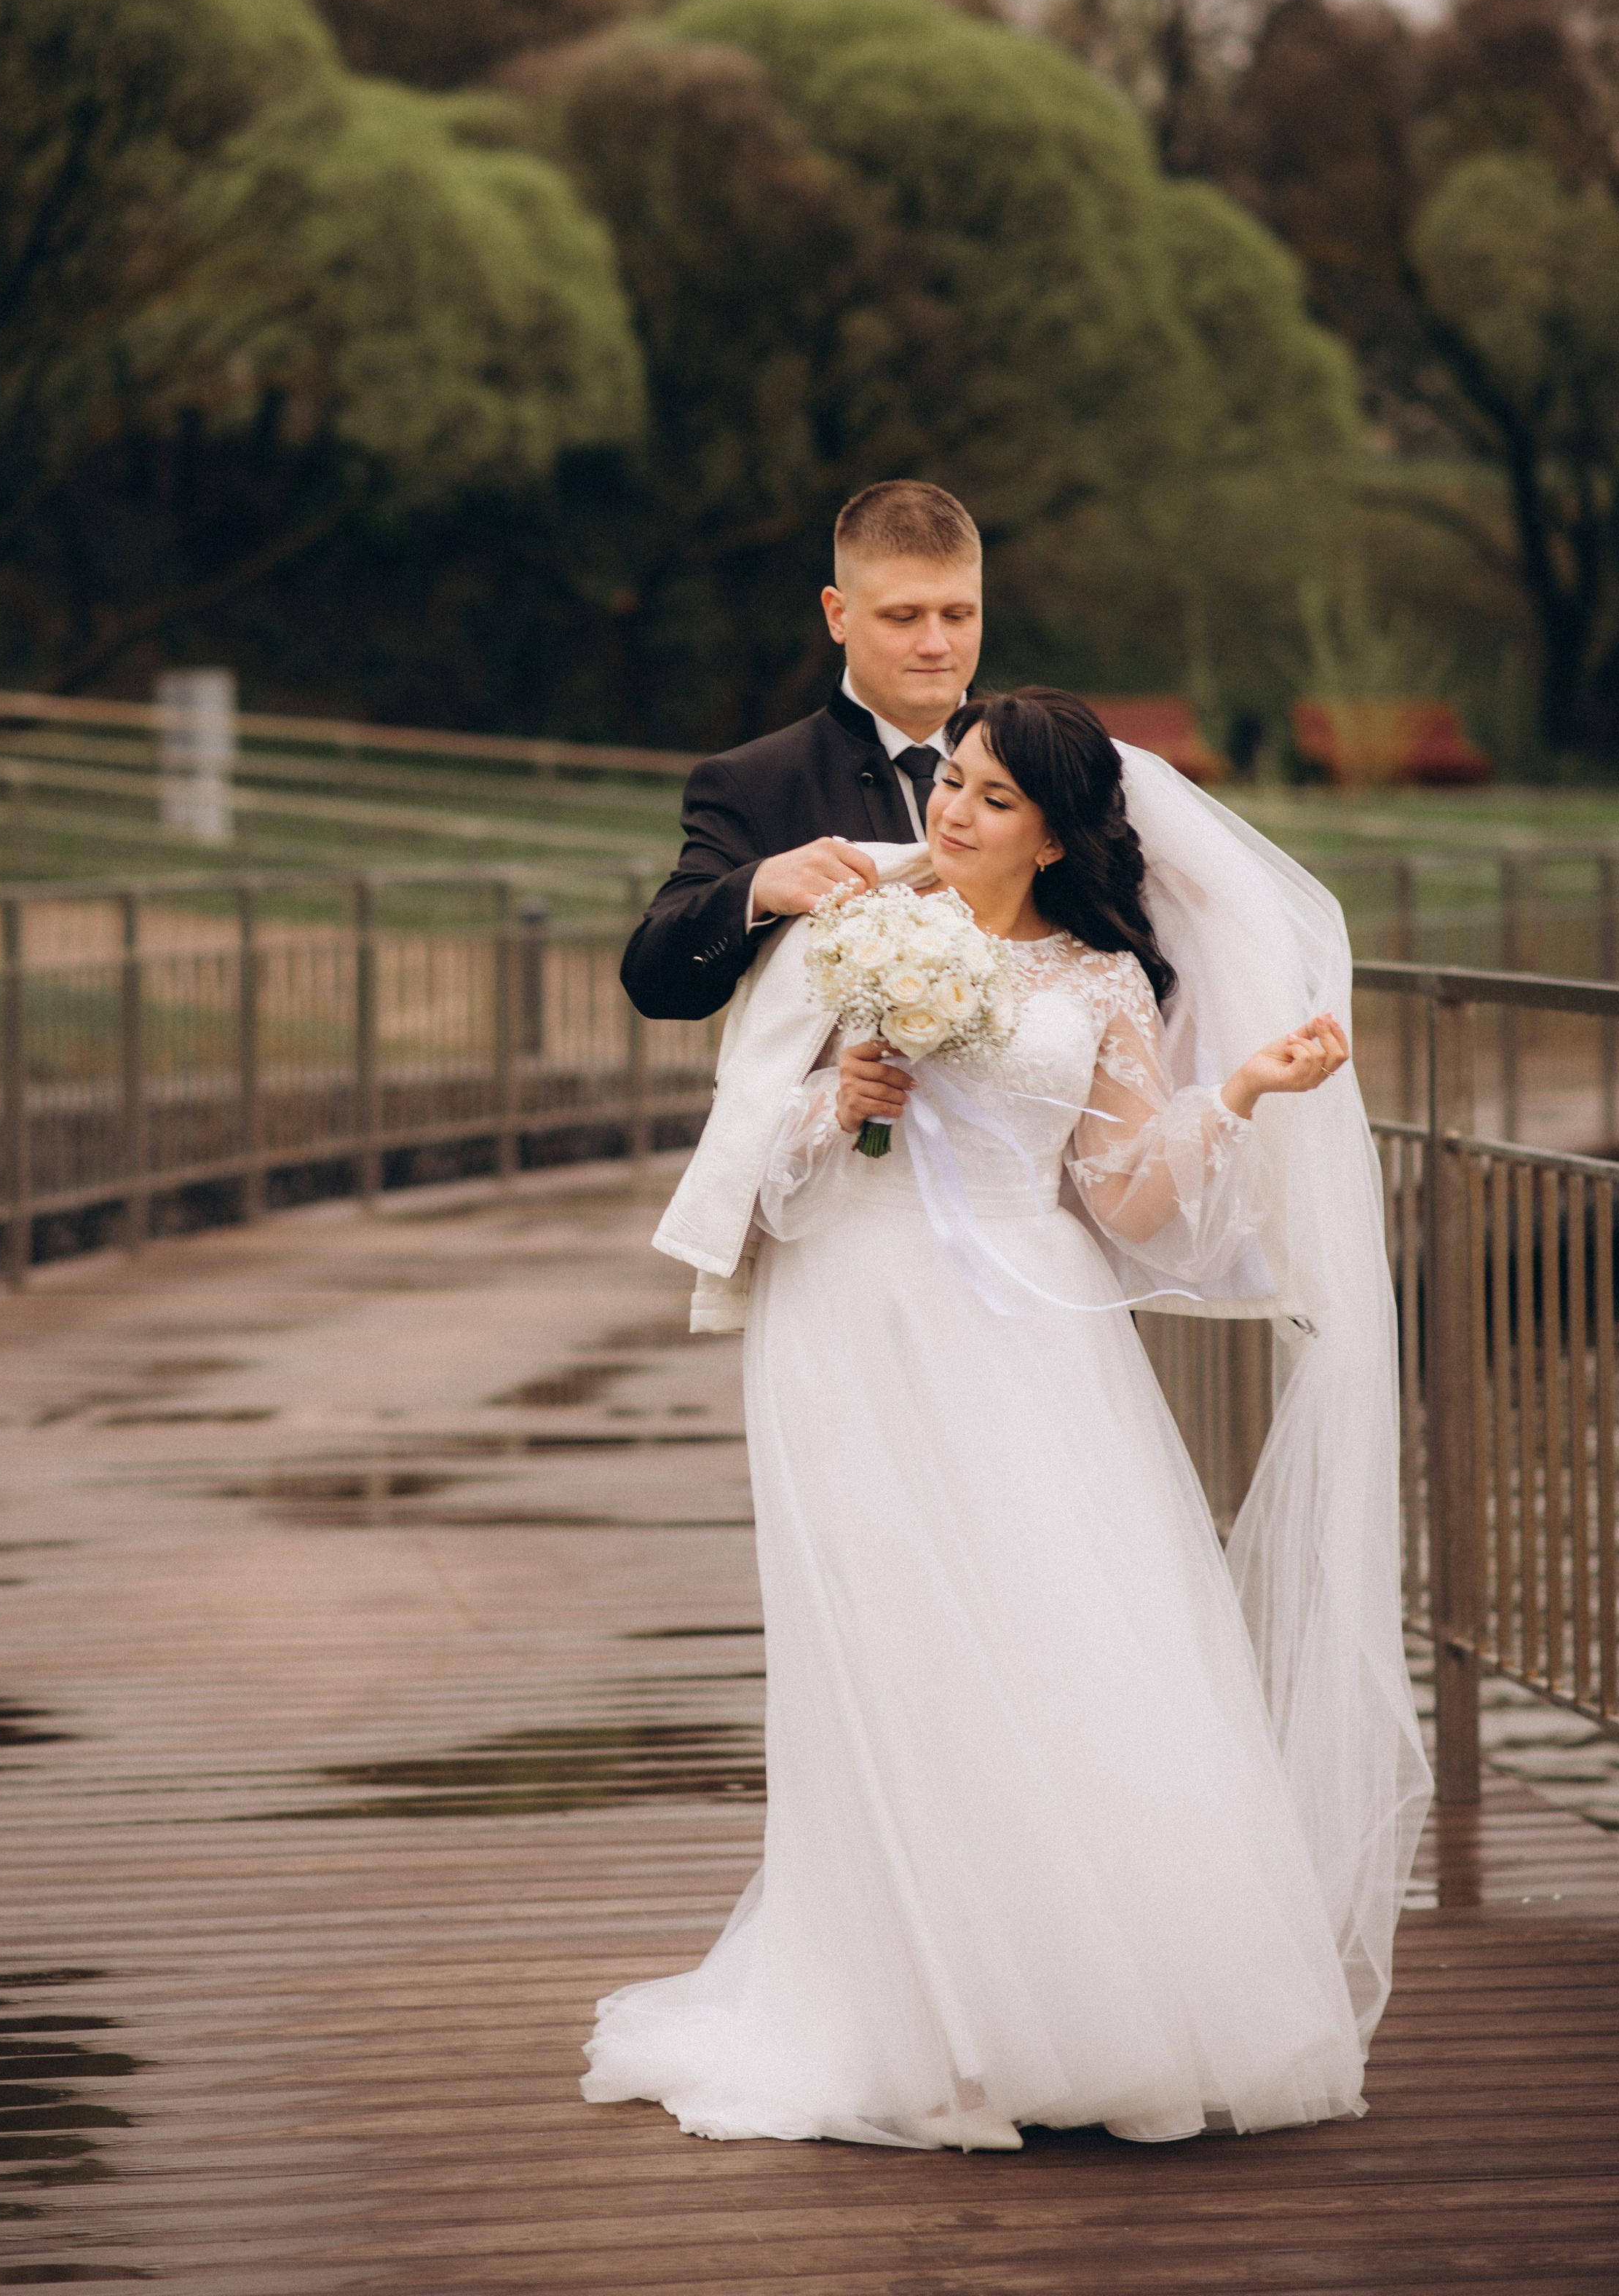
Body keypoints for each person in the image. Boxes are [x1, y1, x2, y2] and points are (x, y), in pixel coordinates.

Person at [583, 688, 1431, 2153]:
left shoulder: (1102, 981)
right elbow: (764, 1151)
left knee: (1051, 1631)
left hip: (1025, 1332)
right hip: (846, 1311)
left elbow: (1119, 1203)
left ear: (1047, 836)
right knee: (876, 1641)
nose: (948, 812)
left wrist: (1234, 1090)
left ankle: (1075, 1998)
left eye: (984, 797)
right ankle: (907, 2012)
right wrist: (829, 1099)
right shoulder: (856, 935)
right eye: (951, 785)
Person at [620, 480, 983, 1024]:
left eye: (957, 616)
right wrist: (757, 889)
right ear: (838, 615)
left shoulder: (1049, 764)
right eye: (903, 617)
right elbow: (656, 985)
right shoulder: (751, 783)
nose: (935, 644)